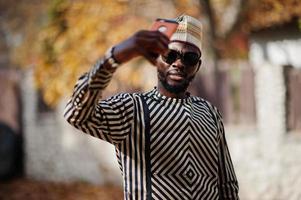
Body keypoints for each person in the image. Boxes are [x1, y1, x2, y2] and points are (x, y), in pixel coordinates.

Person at [64, 15, 239, 200]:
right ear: (156, 58)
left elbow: (227, 185)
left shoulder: (210, 114)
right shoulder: (131, 110)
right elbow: (76, 114)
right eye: (170, 55)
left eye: (190, 58)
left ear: (198, 66)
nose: (178, 63)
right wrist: (112, 58)